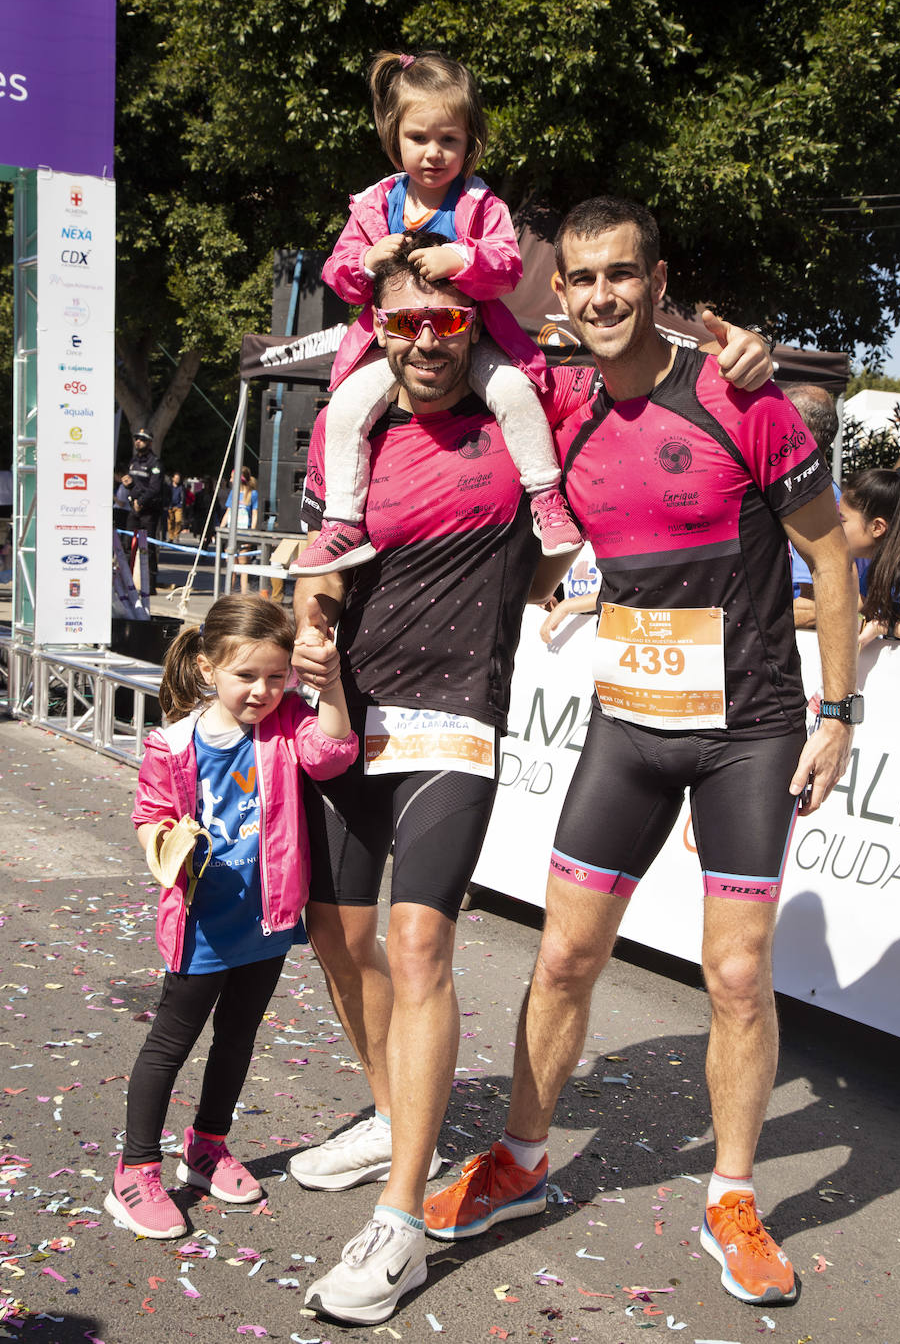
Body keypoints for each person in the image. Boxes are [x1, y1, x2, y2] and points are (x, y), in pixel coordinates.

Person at [288, 231, 774, 1325]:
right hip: (350, 717)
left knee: (418, 943)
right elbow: (313, 560)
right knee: (341, 938)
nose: (425, 340)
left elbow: (633, 354)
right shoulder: (346, 423)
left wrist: (744, 352)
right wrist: (308, 629)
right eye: (406, 320)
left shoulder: (530, 409)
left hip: (456, 719)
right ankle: (385, 1114)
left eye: (446, 320)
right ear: (379, 328)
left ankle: (402, 1222)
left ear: (475, 324)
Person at [423, 197, 860, 1311]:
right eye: (583, 280)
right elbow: (431, 334)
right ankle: (519, 1160)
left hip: (747, 734)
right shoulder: (556, 406)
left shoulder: (737, 394)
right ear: (560, 294)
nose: (603, 296)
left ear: (658, 283)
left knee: (733, 976)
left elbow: (834, 559)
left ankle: (730, 1194)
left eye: (624, 276)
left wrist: (839, 713)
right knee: (563, 959)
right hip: (626, 726)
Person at [103, 595, 357, 1239]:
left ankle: (206, 1147)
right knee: (171, 1043)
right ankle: (134, 1171)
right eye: (247, 676)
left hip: (268, 920)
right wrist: (167, 845)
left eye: (277, 676)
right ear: (210, 668)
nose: (264, 691)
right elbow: (148, 817)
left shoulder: (289, 721)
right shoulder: (174, 743)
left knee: (238, 1037)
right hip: (202, 924)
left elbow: (331, 755)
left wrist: (325, 688)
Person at [288, 49, 582, 577]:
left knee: (515, 391)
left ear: (470, 143)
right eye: (418, 138)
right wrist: (365, 260)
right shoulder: (374, 205)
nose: (433, 152)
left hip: (471, 340)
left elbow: (507, 266)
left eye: (449, 139)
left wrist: (462, 258)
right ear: (393, 136)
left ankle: (545, 497)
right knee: (346, 407)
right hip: (396, 343)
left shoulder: (481, 204)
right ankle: (342, 525)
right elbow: (337, 273)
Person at [783, 384, 841, 629]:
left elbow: (813, 604)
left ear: (797, 431)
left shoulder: (820, 501)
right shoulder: (793, 491)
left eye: (775, 420)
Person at [839, 464, 900, 646]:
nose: (835, 527)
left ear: (877, 527)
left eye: (842, 519)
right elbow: (845, 612)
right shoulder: (878, 568)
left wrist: (886, 627)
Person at [123, 429, 164, 593]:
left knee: (148, 547)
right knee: (127, 545)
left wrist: (141, 501)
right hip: (134, 509)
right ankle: (125, 581)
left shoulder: (155, 463)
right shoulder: (133, 461)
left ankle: (150, 584)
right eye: (137, 439)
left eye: (142, 439)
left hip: (149, 511)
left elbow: (154, 488)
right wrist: (130, 486)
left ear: (149, 443)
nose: (138, 441)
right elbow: (137, 486)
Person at [220, 467, 258, 594]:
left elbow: (255, 514)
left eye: (232, 477)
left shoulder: (252, 494)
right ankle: (227, 593)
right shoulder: (233, 493)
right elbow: (228, 512)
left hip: (244, 533)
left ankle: (243, 595)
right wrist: (221, 528)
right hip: (232, 534)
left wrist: (251, 534)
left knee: (243, 568)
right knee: (230, 567)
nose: (230, 480)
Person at [166, 471, 185, 542]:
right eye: (176, 478)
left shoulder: (181, 487)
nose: (177, 480)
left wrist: (182, 504)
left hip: (178, 506)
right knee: (170, 522)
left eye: (178, 478)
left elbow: (183, 497)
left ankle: (176, 534)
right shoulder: (169, 487)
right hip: (170, 506)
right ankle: (171, 537)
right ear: (173, 478)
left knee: (178, 521)